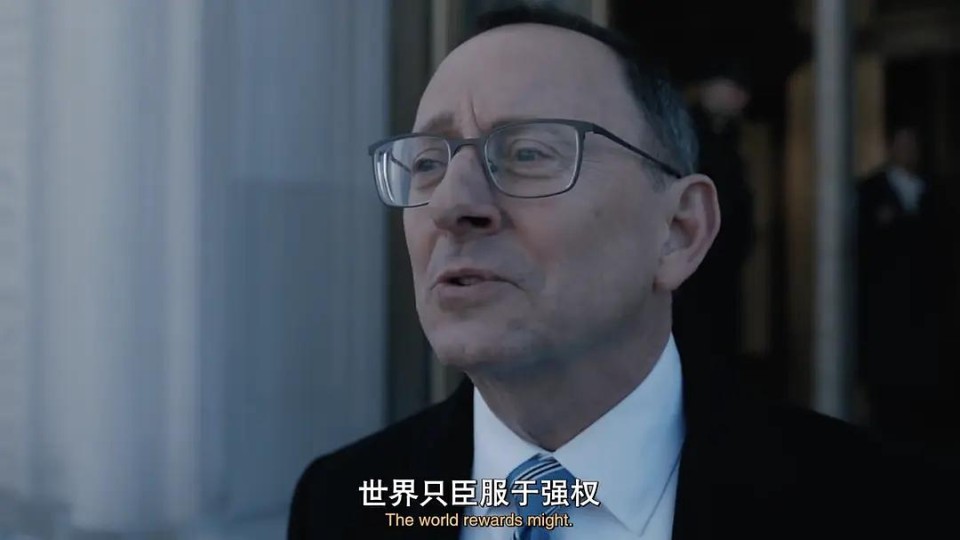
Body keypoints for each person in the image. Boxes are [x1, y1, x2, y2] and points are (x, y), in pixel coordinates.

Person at [289, 7, 956, 539]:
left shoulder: (890, 509)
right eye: (428, 164)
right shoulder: (344, 502)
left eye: (527, 153)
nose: (450, 205)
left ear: (679, 230)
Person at [856, 123, 953, 460]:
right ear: (890, 147)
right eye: (902, 143)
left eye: (913, 143)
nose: (908, 150)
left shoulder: (934, 191)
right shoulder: (871, 190)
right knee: (888, 395)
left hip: (927, 310)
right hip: (886, 310)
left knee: (923, 393)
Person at [672, 61, 756, 365]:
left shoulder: (729, 138)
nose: (741, 98)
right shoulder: (684, 135)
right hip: (692, 265)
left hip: (721, 264)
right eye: (734, 87)